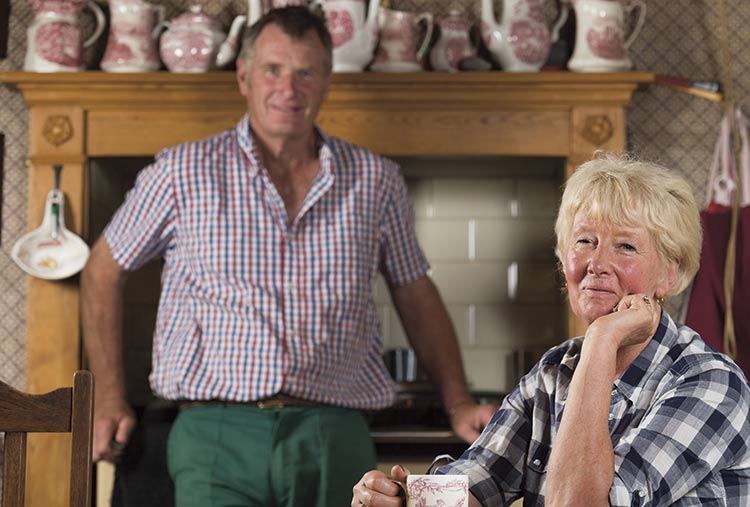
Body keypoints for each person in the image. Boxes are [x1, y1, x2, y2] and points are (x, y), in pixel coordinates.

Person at [80, 6, 495, 507]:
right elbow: (102, 270)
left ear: (327, 82)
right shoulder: (180, 172)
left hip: (334, 430)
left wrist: (458, 401)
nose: (288, 89)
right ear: (244, 76)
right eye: (273, 70)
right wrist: (108, 396)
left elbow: (415, 292)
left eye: (306, 73)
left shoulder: (375, 179)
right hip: (214, 432)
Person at [351, 153, 750, 507]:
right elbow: (477, 482)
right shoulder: (555, 372)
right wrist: (403, 497)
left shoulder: (711, 384)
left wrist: (602, 340)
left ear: (668, 274)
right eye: (584, 241)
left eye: (625, 246)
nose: (596, 264)